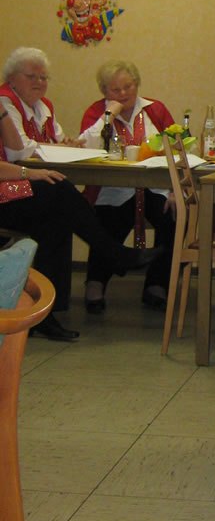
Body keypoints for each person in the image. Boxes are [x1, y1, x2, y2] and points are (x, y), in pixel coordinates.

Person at [0, 110, 158, 341]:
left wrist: (2, 114)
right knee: (58, 189)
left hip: (7, 190)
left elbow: (16, 149)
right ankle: (116, 254)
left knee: (55, 217)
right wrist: (29, 172)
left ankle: (46, 313)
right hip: (3, 193)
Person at [80, 60, 175, 314]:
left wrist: (175, 191)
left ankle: (156, 284)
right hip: (111, 189)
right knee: (106, 221)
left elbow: (177, 150)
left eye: (128, 86)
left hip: (154, 188)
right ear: (104, 91)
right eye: (115, 89)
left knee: (172, 219)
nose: (123, 94)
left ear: (137, 84)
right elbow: (85, 146)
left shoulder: (155, 109)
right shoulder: (96, 112)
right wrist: (108, 115)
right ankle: (95, 283)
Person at [0, 46, 82, 158]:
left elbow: (59, 139)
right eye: (31, 76)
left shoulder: (45, 105)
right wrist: (63, 148)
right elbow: (20, 150)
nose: (38, 81)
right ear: (11, 79)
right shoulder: (4, 100)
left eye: (43, 78)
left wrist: (68, 143)